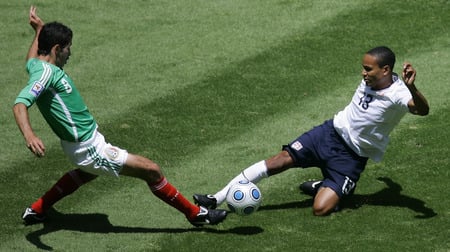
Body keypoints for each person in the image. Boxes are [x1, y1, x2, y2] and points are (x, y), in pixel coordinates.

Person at [14, 6, 227, 227]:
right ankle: (196, 214)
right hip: (88, 148)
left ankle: (37, 210)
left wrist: (38, 30)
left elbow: (32, 58)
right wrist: (30, 135)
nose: (70, 53)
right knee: (152, 170)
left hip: (85, 142)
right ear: (57, 48)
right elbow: (20, 104)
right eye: (68, 48)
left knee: (88, 173)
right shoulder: (47, 73)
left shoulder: (37, 66)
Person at [194, 46, 429, 216]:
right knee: (279, 160)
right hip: (328, 134)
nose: (363, 73)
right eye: (362, 68)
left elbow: (422, 110)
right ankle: (217, 197)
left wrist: (412, 88)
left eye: (368, 69)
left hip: (351, 158)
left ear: (386, 70)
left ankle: (330, 186)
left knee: (320, 209)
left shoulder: (399, 93)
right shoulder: (370, 80)